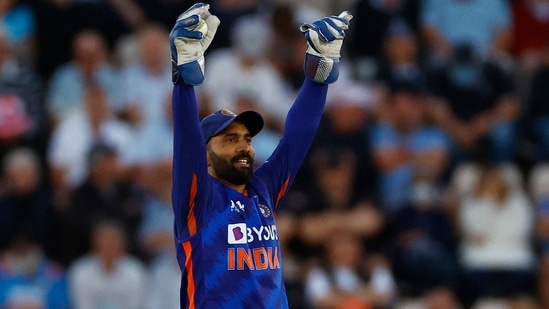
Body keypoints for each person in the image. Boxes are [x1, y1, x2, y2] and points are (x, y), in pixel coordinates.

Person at [169, 3, 352, 308]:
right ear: (207, 157)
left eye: (246, 138)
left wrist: (319, 72)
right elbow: (186, 141)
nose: (244, 146)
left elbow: (297, 137)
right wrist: (185, 80)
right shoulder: (198, 201)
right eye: (230, 139)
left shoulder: (262, 189)